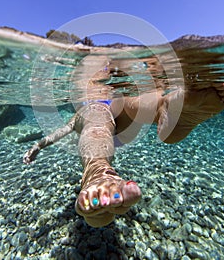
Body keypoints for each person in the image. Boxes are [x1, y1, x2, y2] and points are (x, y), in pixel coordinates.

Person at [23, 54, 224, 228]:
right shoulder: (111, 84)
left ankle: (97, 174)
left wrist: (38, 145)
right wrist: (38, 145)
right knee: (134, 103)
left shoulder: (82, 108)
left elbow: (61, 132)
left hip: (98, 109)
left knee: (96, 122)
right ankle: (167, 106)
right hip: (118, 102)